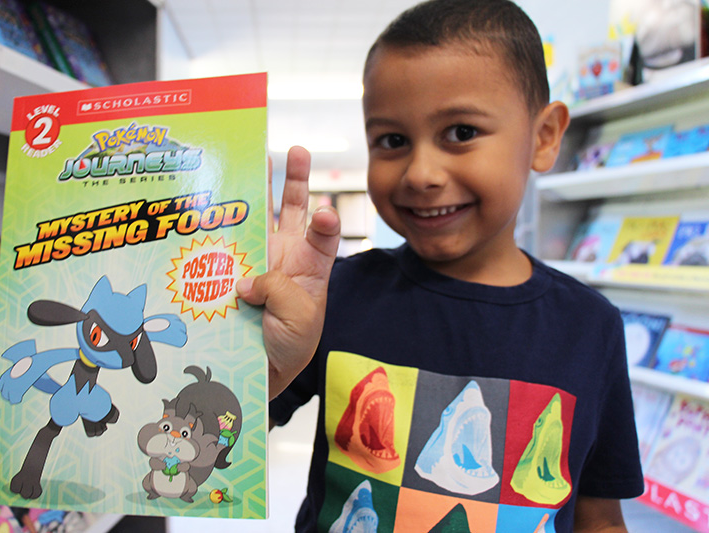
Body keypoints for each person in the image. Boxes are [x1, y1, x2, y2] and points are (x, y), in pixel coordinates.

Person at [237, 0, 644, 531]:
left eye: (461, 133)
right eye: (392, 141)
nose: (421, 173)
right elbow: (220, 442)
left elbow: (600, 515)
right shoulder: (339, 294)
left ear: (544, 137)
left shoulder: (591, 327)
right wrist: (257, 367)